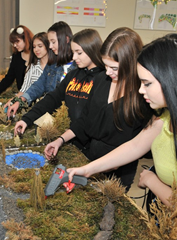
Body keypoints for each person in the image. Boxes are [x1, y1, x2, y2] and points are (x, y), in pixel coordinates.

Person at [67, 33, 177, 239]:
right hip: (161, 210)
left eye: (147, 83)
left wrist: (152, 181)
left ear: (172, 80)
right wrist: (87, 169)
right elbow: (135, 146)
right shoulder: (166, 114)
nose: (141, 90)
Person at [44, 27, 152, 191]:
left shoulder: (143, 95)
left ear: (131, 64)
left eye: (114, 68)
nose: (108, 72)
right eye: (106, 66)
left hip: (119, 170)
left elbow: (137, 143)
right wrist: (60, 140)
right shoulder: (102, 79)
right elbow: (85, 119)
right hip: (91, 157)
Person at [13, 28, 106, 153]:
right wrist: (26, 119)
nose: (74, 57)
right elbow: (52, 99)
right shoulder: (72, 75)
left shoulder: (104, 79)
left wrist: (62, 139)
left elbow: (88, 118)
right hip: (70, 141)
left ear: (91, 49)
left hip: (91, 147)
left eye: (79, 53)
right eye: (73, 52)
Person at [6, 21, 76, 117]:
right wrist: (20, 100)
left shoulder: (78, 68)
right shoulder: (52, 65)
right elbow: (38, 86)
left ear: (66, 39)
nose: (50, 46)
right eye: (49, 42)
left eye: (53, 42)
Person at [0, 25, 33, 100]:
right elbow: (8, 79)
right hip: (22, 97)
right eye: (13, 43)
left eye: (17, 41)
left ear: (26, 39)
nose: (14, 45)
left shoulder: (37, 55)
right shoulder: (16, 56)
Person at [3, 32, 51, 110]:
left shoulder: (56, 67)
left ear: (48, 46)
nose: (36, 49)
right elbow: (23, 90)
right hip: (37, 109)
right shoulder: (32, 67)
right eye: (34, 47)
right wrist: (12, 101)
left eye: (40, 46)